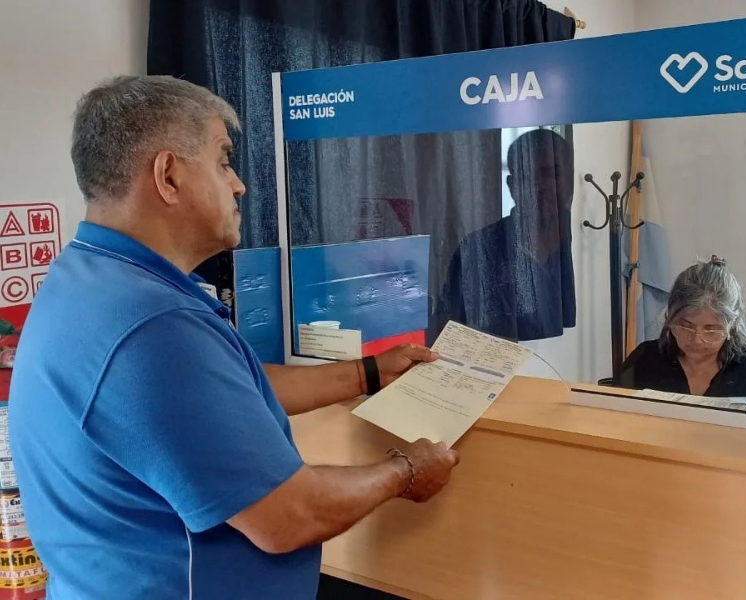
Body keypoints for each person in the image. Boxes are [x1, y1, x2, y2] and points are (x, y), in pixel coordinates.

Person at [7, 75, 460, 599]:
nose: (240, 184)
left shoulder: (88, 280)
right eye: (223, 161)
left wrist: (368, 373)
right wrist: (407, 470)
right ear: (169, 176)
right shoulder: (153, 326)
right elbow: (291, 515)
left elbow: (222, 396)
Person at [438, 128, 576, 341]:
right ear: (512, 186)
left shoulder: (587, 248)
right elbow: (451, 335)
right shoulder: (477, 253)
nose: (540, 186)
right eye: (527, 175)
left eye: (551, 174)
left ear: (570, 181)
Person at [619, 256, 746, 397]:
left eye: (711, 329)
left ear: (731, 326)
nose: (697, 340)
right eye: (686, 326)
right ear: (670, 317)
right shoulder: (645, 360)